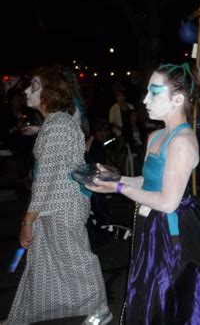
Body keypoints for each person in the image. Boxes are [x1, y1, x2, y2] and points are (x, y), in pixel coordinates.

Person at [86, 63, 200, 324]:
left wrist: (119, 188)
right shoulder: (155, 136)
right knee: (147, 295)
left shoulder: (182, 142)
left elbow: (168, 201)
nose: (144, 99)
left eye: (154, 93)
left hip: (173, 234)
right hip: (150, 226)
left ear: (177, 99)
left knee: (170, 302)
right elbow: (149, 182)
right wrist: (113, 180)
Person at [5, 67, 111, 324]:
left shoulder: (58, 125)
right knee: (44, 263)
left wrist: (27, 221)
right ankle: (27, 315)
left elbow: (46, 179)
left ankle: (100, 310)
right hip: (56, 203)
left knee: (76, 260)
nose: (27, 91)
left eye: (35, 86)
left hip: (61, 205)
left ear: (49, 92)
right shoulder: (56, 123)